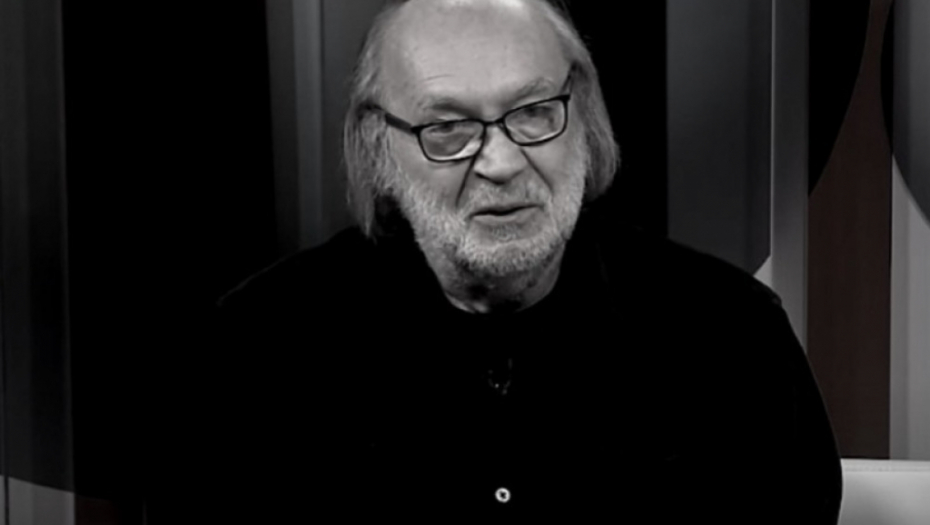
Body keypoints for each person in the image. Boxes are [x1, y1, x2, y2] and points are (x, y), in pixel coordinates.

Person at [163, 0, 842, 522]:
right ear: (377, 147)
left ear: (584, 117)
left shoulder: (733, 337)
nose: (501, 162)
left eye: (533, 111)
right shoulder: (253, 350)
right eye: (448, 128)